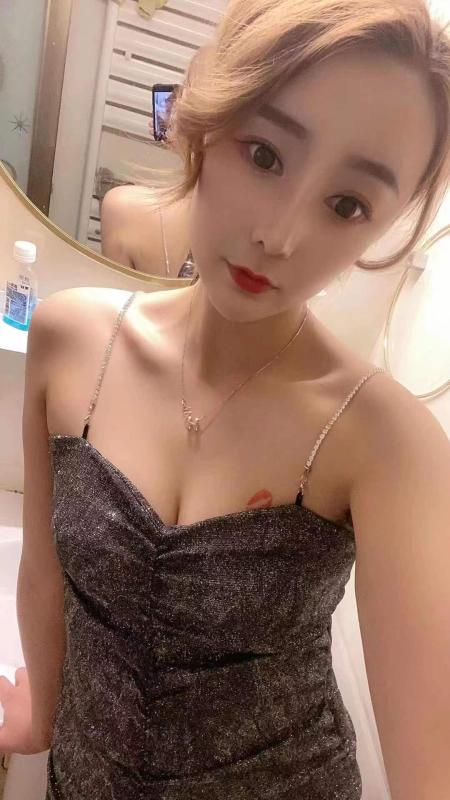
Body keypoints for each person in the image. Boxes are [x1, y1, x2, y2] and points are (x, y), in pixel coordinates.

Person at [1, 1, 450, 798]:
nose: (280, 235)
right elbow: (42, 575)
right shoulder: (69, 341)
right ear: (208, 117)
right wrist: (38, 719)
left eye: (346, 205)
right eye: (265, 153)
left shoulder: (387, 441)